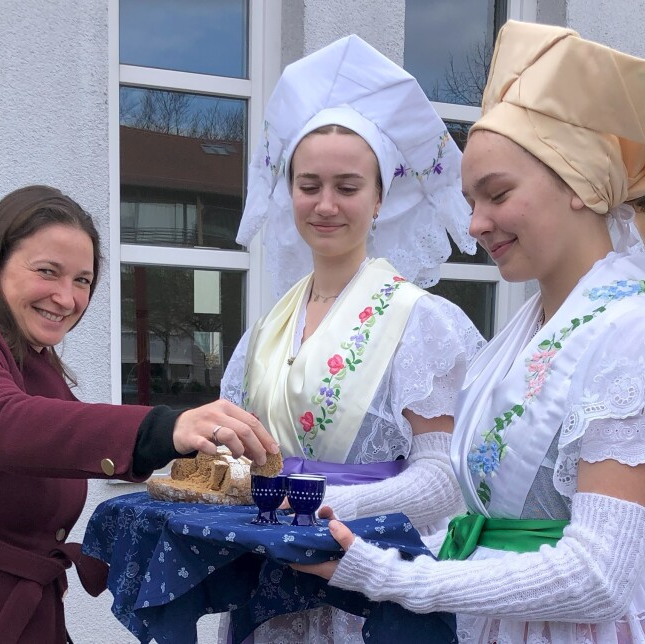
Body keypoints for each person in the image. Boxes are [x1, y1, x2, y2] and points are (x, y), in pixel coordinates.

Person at [294, 21, 645, 643]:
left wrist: (392, 574)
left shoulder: (641, 338)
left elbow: (598, 574)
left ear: (580, 184)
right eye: (471, 200)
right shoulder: (523, 331)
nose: (475, 223)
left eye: (496, 194)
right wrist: (352, 540)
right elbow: (490, 528)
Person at [0, 185, 278, 644]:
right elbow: (3, 424)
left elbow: (54, 446)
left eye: (82, 281)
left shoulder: (32, 360)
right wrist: (169, 425)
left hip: (7, 614)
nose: (66, 298)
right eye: (48, 272)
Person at [219, 35, 487, 642]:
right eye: (308, 184)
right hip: (270, 587)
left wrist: (321, 506)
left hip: (363, 579)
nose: (325, 204)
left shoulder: (422, 324)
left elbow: (445, 479)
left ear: (379, 197)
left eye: (347, 186)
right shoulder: (266, 329)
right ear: (288, 191)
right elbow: (239, 453)